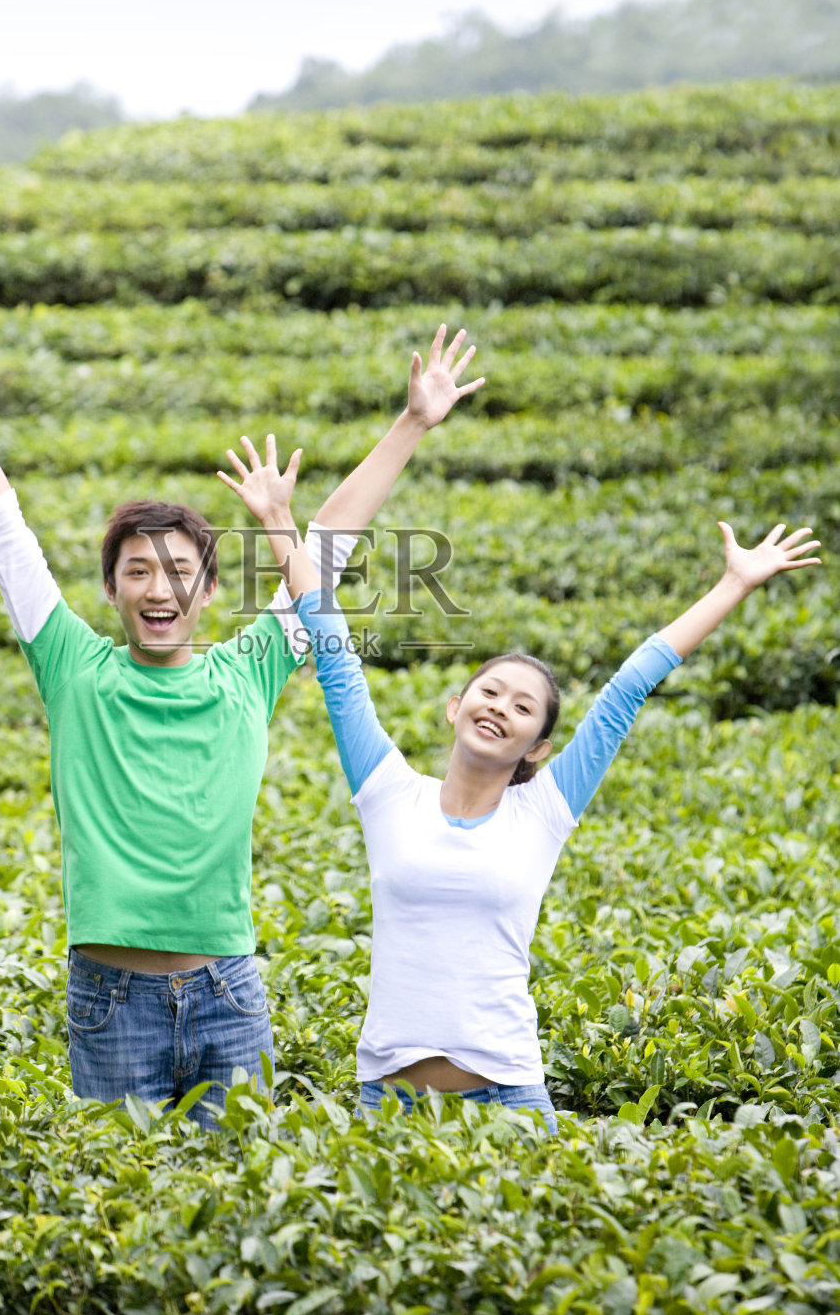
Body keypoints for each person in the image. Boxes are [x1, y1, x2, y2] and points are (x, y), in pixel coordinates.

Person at [0, 284, 481, 1122]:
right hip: (110, 999)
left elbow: (329, 545)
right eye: (138, 572)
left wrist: (411, 423)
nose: (160, 588)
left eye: (179, 570)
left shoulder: (247, 671)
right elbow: (1, 521)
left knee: (240, 1220)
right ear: (112, 590)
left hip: (229, 991)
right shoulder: (73, 666)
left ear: (210, 587)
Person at [221, 421, 822, 1132]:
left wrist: (732, 584)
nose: (499, 707)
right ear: (454, 708)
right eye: (489, 692)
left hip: (507, 1099)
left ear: (537, 746)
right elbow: (331, 648)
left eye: (522, 707)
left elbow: (627, 688)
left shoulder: (544, 809)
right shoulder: (387, 790)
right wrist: (282, 524)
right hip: (387, 1100)